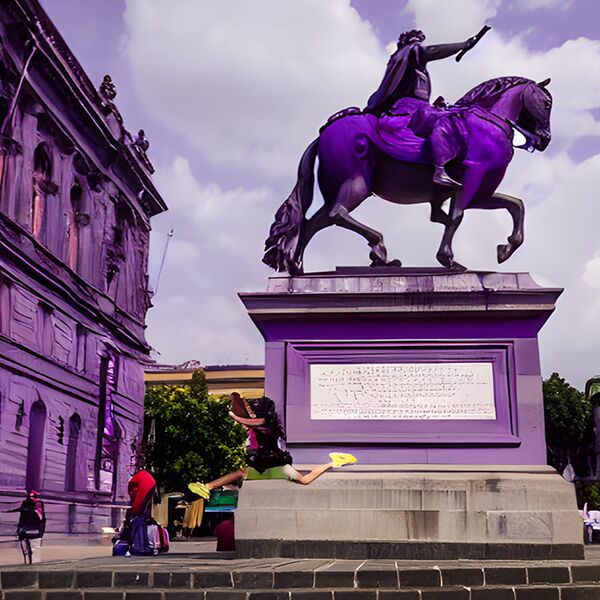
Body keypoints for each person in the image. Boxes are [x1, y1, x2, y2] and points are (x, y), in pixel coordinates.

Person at [365, 28, 487, 187]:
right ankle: (440, 169)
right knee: (449, 120)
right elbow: (433, 51)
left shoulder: (404, 60)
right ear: (408, 41)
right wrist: (463, 44)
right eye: (416, 39)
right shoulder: (411, 52)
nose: (419, 43)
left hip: (417, 107)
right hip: (410, 108)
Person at [189, 393, 356, 500]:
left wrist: (234, 415)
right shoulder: (261, 426)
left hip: (275, 462)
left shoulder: (266, 425)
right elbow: (248, 423)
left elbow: (248, 421)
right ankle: (208, 486)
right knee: (242, 471)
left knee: (304, 480)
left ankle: (333, 463)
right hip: (265, 463)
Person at [9, 490, 46, 564]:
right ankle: (32, 562)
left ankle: (28, 562)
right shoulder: (38, 507)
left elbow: (22, 520)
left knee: (29, 551)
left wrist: (20, 531)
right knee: (34, 551)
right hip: (35, 532)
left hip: (29, 532)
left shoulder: (29, 507)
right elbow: (43, 521)